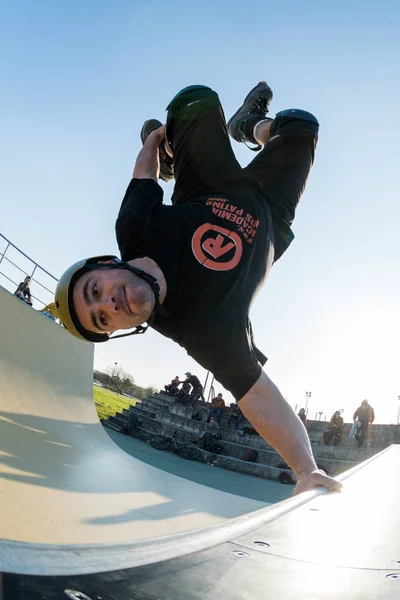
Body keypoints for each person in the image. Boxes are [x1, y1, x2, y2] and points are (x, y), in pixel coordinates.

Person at [54, 81, 342, 496]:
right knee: (300, 126)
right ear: (115, 330)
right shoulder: (202, 331)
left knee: (194, 99)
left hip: (209, 183)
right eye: (103, 317)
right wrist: (305, 469)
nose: (110, 302)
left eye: (96, 289)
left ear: (106, 265)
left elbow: (142, 173)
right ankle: (251, 127)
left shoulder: (135, 228)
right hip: (271, 212)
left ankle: (184, 151)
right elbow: (258, 396)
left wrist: (158, 143)